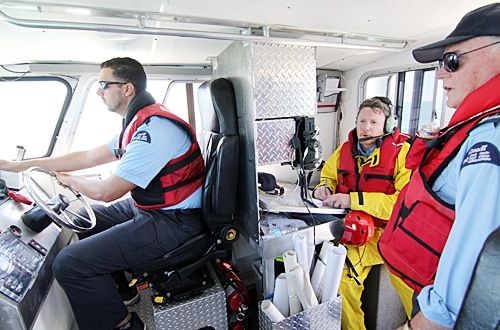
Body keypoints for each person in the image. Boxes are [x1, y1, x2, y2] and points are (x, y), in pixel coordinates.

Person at [0, 57, 206, 330]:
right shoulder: (136, 123)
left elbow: (108, 191)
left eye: (103, 85)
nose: (98, 92)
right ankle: (125, 294)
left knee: (69, 264)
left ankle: (124, 326)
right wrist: (18, 166)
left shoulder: (155, 128)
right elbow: (87, 157)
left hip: (176, 222)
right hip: (152, 211)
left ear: (127, 89)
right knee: (85, 220)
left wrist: (71, 182)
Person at [378, 3, 500, 329]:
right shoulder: (473, 128)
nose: (440, 73)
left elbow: (478, 274)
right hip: (423, 281)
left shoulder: (489, 141)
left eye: (452, 61)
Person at [313, 97, 414, 330]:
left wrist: (353, 200)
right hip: (360, 233)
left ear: (387, 127)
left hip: (396, 233)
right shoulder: (344, 150)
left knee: (415, 288)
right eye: (362, 121)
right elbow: (329, 175)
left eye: (374, 123)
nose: (366, 127)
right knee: (343, 277)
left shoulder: (403, 154)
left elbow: (401, 203)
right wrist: (324, 187)